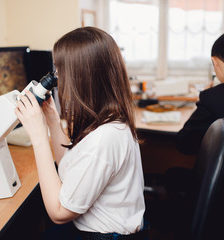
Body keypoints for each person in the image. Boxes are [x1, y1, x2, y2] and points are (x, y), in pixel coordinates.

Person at [15, 27, 146, 239]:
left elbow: (58, 213)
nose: (56, 79)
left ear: (81, 78)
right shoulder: (109, 120)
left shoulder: (104, 138)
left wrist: (38, 137)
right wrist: (52, 122)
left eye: (59, 71)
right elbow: (69, 167)